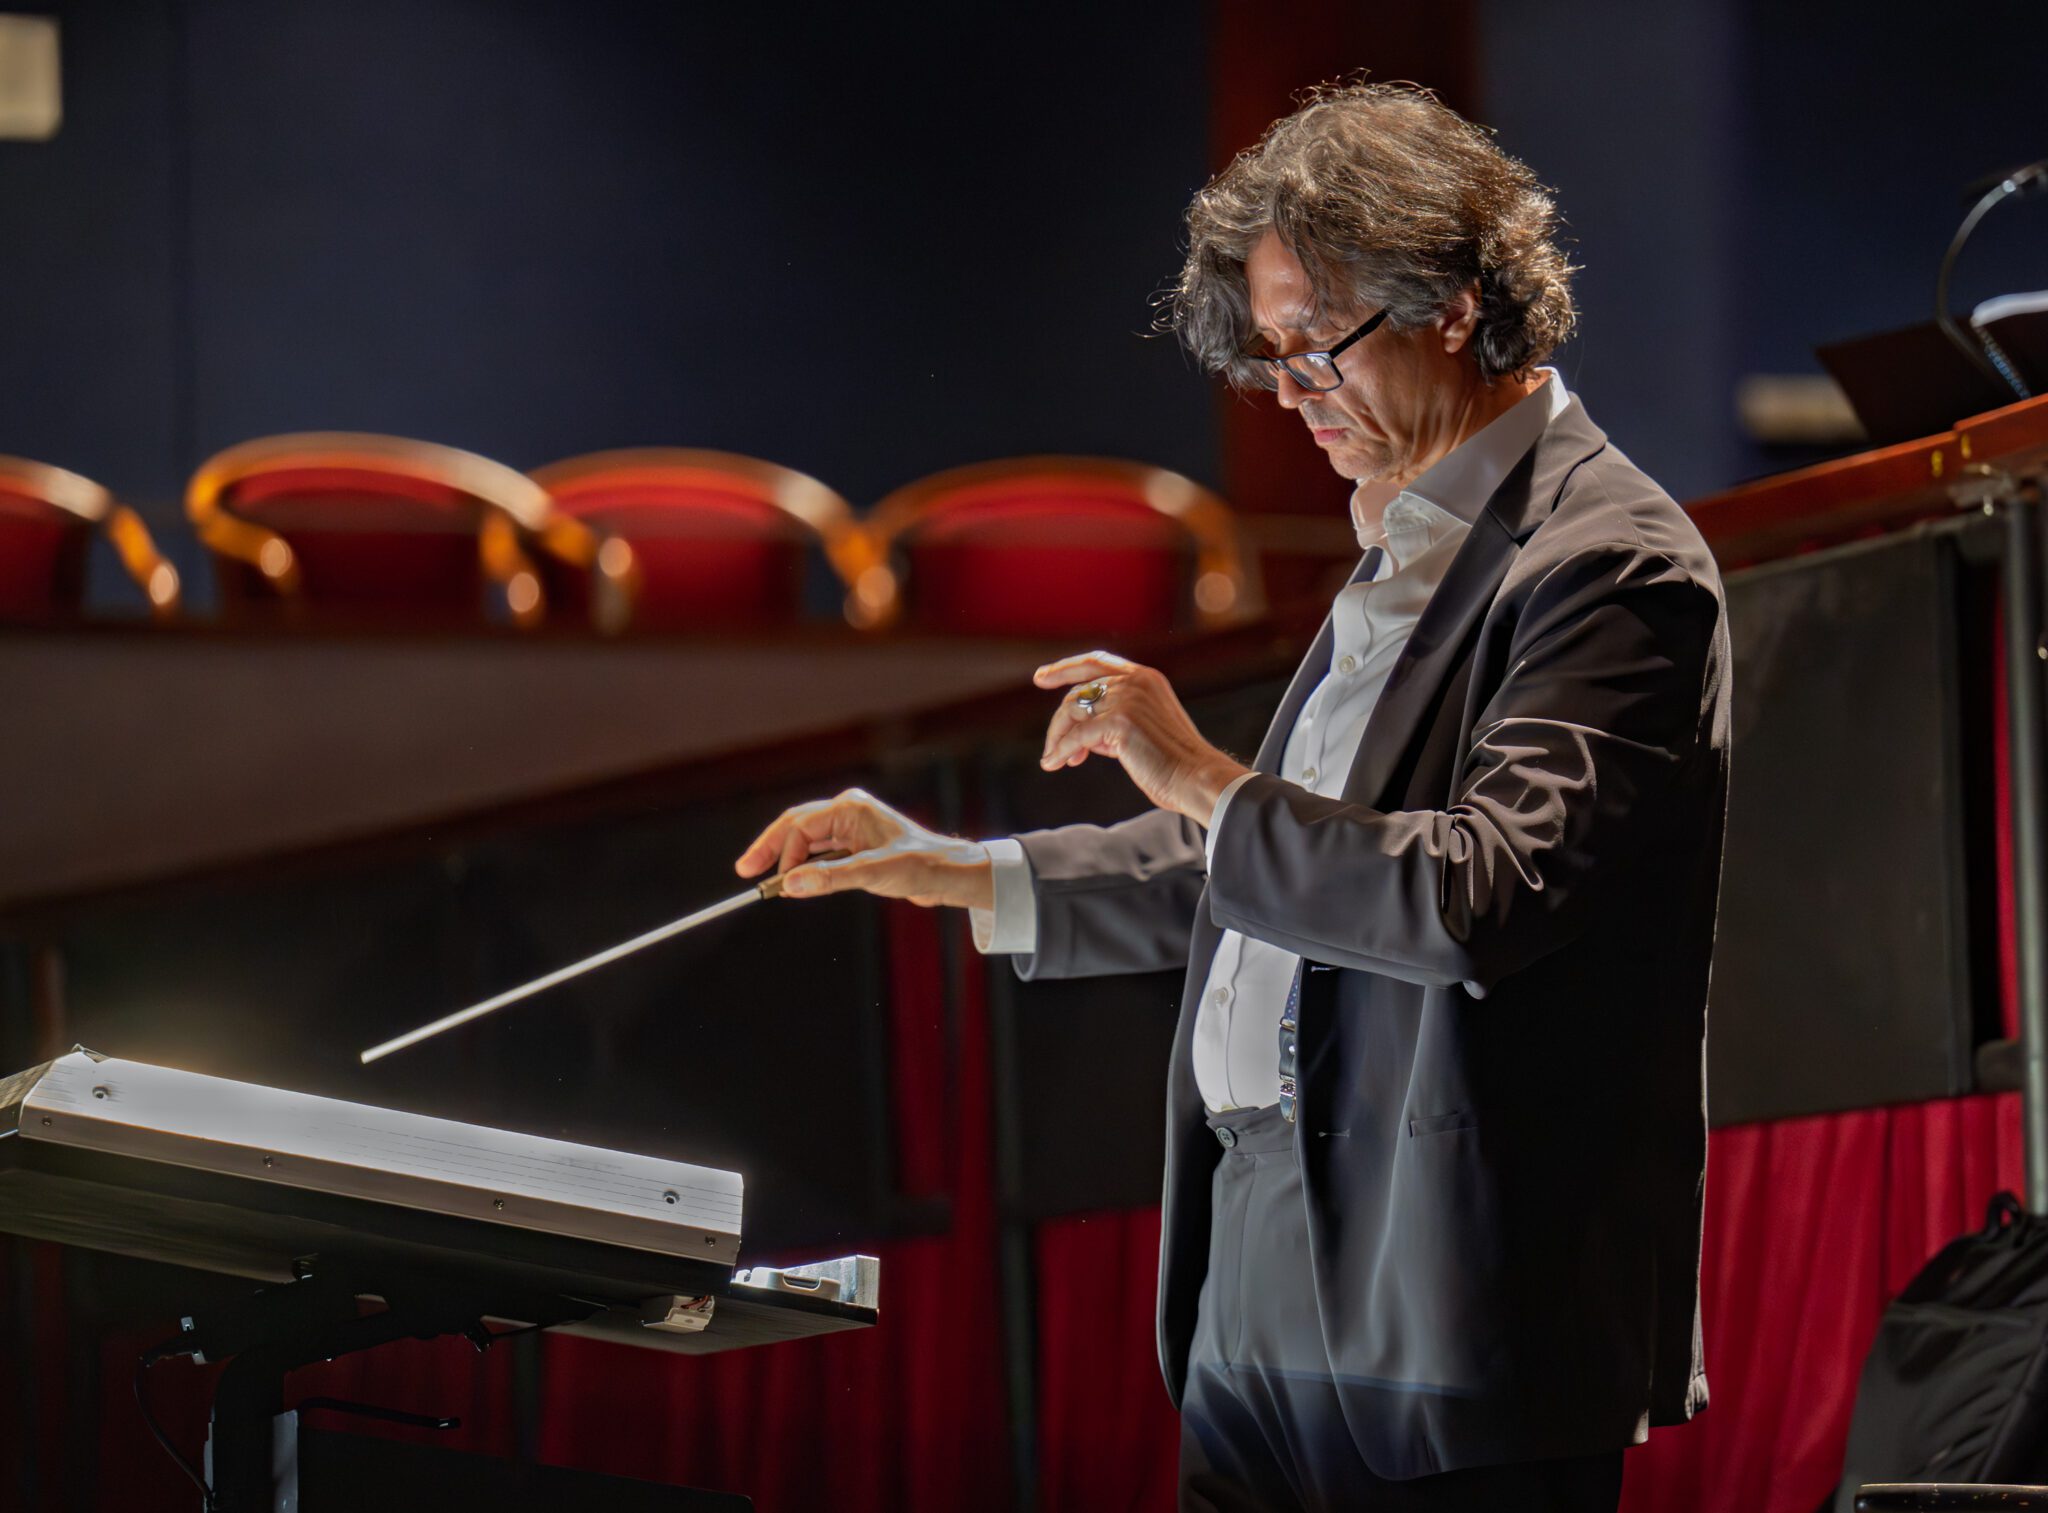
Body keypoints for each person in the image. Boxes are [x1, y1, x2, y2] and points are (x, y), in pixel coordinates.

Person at [736, 81, 1729, 1513]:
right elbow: (1285, 860)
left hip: (1443, 1283)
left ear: (1450, 301)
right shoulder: (1408, 529)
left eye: (1316, 348)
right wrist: (954, 866)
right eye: (1269, 360)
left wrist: (1202, 768)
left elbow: (1470, 891)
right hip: (1259, 1252)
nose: (1292, 396)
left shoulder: (1609, 560)